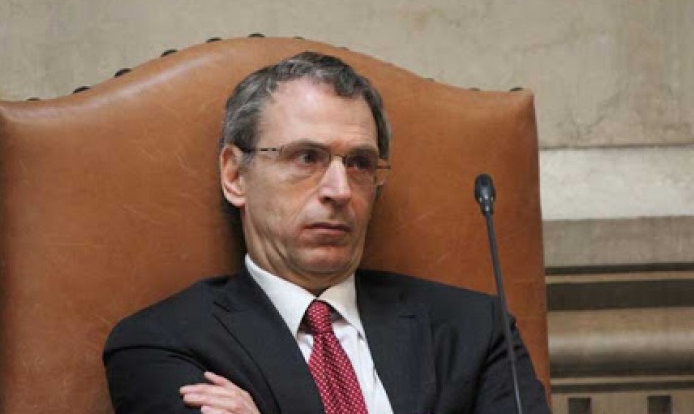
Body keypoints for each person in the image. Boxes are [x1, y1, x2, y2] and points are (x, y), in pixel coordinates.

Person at [103, 52, 550, 413]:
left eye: (359, 163)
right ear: (235, 176)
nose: (340, 190)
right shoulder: (163, 343)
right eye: (306, 158)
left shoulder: (473, 330)